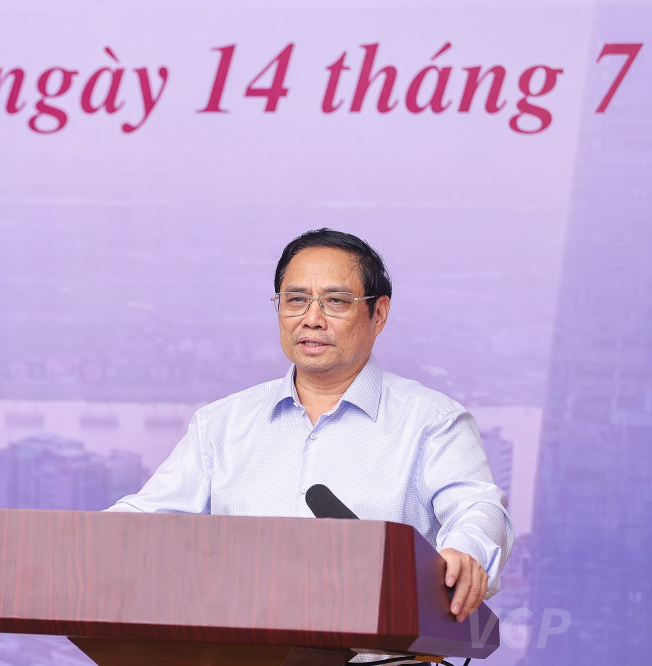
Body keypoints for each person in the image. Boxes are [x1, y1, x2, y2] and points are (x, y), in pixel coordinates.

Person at [108, 228, 514, 630]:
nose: (312, 319)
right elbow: (145, 521)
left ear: (378, 314)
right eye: (296, 300)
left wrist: (465, 553)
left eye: (336, 301)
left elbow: (477, 508)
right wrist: (85, 542)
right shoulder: (221, 424)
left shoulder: (433, 421)